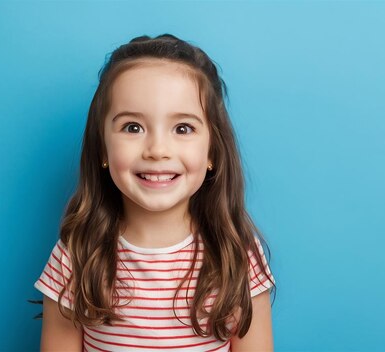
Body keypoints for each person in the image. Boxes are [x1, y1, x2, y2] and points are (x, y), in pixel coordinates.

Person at [34, 33, 277, 351]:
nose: (157, 150)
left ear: (212, 152)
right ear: (103, 149)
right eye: (132, 127)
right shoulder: (77, 254)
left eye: (183, 128)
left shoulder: (236, 256)